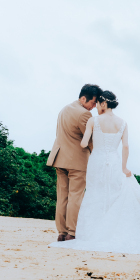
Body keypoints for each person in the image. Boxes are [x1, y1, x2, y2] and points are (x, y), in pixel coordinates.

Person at [49, 90, 140, 255]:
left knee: (94, 195)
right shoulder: (123, 123)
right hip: (114, 161)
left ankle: (77, 232)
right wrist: (124, 167)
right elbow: (125, 146)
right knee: (112, 195)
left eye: (97, 103)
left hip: (96, 162)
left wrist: (88, 139)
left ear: (103, 103)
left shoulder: (93, 120)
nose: (96, 106)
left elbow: (83, 143)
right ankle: (108, 231)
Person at [47, 83, 102, 242]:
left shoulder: (64, 109)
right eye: (92, 102)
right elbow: (90, 140)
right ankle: (72, 232)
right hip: (77, 161)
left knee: (62, 197)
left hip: (59, 158)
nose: (93, 106)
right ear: (84, 98)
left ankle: (61, 232)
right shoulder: (84, 114)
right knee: (75, 197)